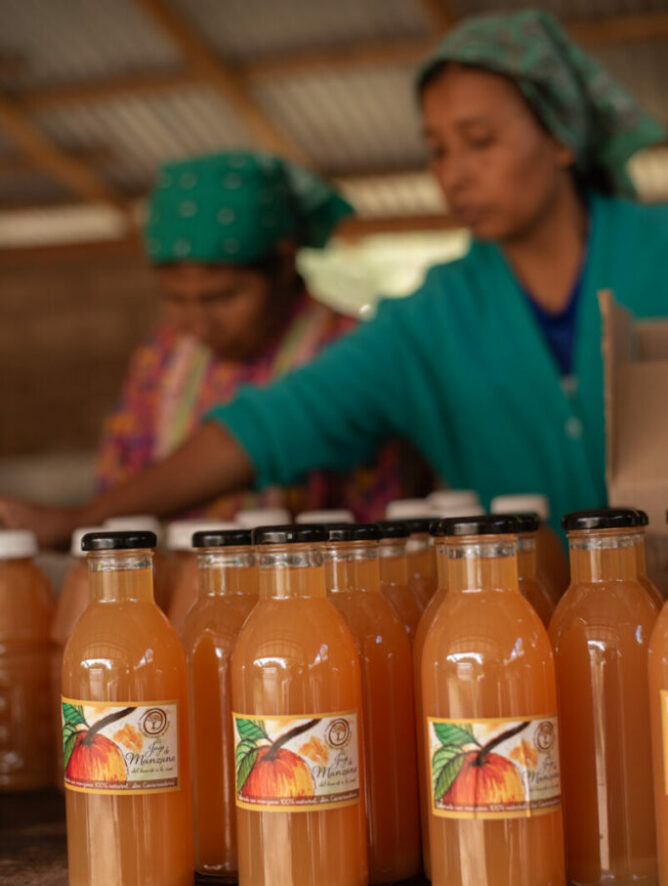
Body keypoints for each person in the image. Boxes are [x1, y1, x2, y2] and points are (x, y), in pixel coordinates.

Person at [2, 9, 667, 546]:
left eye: (479, 140)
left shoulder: (657, 251)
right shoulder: (430, 320)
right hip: (523, 634)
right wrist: (80, 519)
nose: (454, 173)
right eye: (436, 149)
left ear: (561, 136)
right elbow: (271, 425)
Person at [88, 151, 424, 522]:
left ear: (284, 263)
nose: (199, 324)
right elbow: (118, 482)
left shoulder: (353, 352)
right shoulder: (161, 357)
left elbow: (385, 510)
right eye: (176, 299)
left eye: (222, 298)